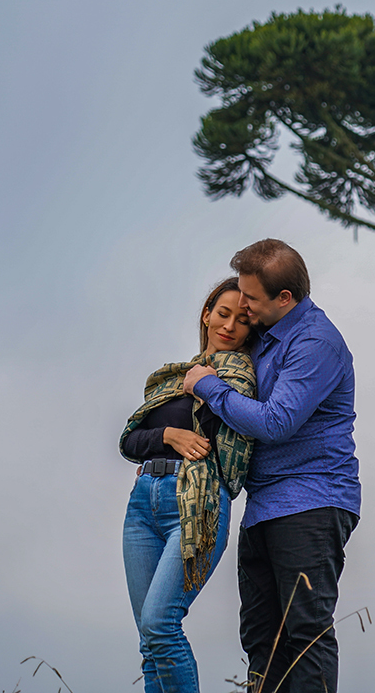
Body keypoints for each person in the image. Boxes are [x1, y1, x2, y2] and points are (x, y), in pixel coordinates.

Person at [184, 238, 360, 693]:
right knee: (261, 638)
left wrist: (210, 389)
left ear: (285, 298)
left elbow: (277, 421)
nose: (242, 305)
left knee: (304, 633)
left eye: (251, 298)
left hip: (310, 502)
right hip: (262, 507)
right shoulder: (265, 335)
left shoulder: (316, 341)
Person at [120, 277, 258, 693]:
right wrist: (168, 437)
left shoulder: (242, 382)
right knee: (149, 642)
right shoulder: (173, 379)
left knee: (161, 624)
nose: (230, 325)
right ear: (206, 314)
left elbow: (229, 441)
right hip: (143, 504)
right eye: (222, 313)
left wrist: (207, 386)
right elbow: (128, 441)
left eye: (242, 320)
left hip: (196, 505)